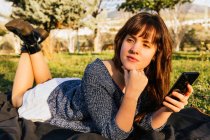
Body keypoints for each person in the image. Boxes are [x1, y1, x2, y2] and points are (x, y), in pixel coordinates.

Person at [5, 12, 193, 140]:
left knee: (46, 82)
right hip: (56, 104)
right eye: (130, 40)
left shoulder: (149, 77)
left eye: (145, 44)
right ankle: (28, 43)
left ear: (156, 53)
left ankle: (33, 43)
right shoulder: (97, 71)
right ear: (121, 42)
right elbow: (115, 134)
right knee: (17, 99)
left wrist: (167, 109)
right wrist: (131, 95)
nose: (134, 49)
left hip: (71, 89)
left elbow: (144, 122)